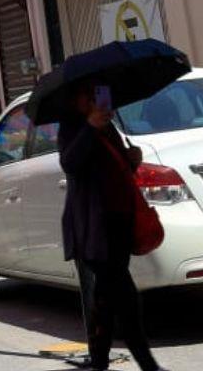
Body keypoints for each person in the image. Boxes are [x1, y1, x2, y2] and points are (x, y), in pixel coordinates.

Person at [58, 82, 165, 371]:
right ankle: (147, 362)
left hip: (117, 223)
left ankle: (99, 361)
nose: (96, 101)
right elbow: (70, 163)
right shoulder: (71, 127)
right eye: (89, 96)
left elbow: (116, 170)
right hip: (93, 228)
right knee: (126, 297)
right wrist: (90, 127)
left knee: (106, 298)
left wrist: (132, 161)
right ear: (77, 100)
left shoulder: (109, 126)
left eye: (99, 95)